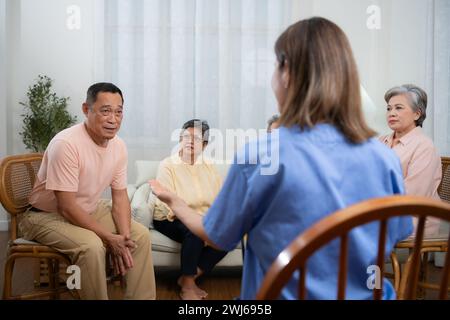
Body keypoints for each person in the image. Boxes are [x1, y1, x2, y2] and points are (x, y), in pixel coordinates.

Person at [150, 17, 412, 300]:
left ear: (286, 74)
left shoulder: (261, 155)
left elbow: (216, 235)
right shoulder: (385, 158)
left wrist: (175, 201)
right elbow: (397, 234)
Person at [18, 83, 156, 300]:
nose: (113, 119)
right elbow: (66, 206)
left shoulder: (118, 146)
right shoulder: (66, 144)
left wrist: (123, 237)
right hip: (44, 216)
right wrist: (110, 238)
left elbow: (119, 196)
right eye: (105, 111)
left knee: (140, 236)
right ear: (86, 109)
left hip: (88, 209)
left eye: (119, 112)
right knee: (91, 247)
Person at [151, 119, 227, 300]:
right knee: (194, 232)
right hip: (169, 217)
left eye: (197, 138)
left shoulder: (209, 167)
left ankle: (188, 279)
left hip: (200, 217)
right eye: (186, 136)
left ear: (205, 144)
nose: (190, 141)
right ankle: (188, 286)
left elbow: (219, 197)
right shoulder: (168, 165)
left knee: (227, 234)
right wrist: (196, 221)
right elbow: (168, 203)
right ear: (180, 139)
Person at [380, 85, 442, 238]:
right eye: (389, 109)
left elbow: (413, 196)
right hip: (383, 210)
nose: (391, 113)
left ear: (416, 114)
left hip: (414, 218)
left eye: (399, 108)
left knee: (349, 227)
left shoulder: (425, 147)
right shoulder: (381, 141)